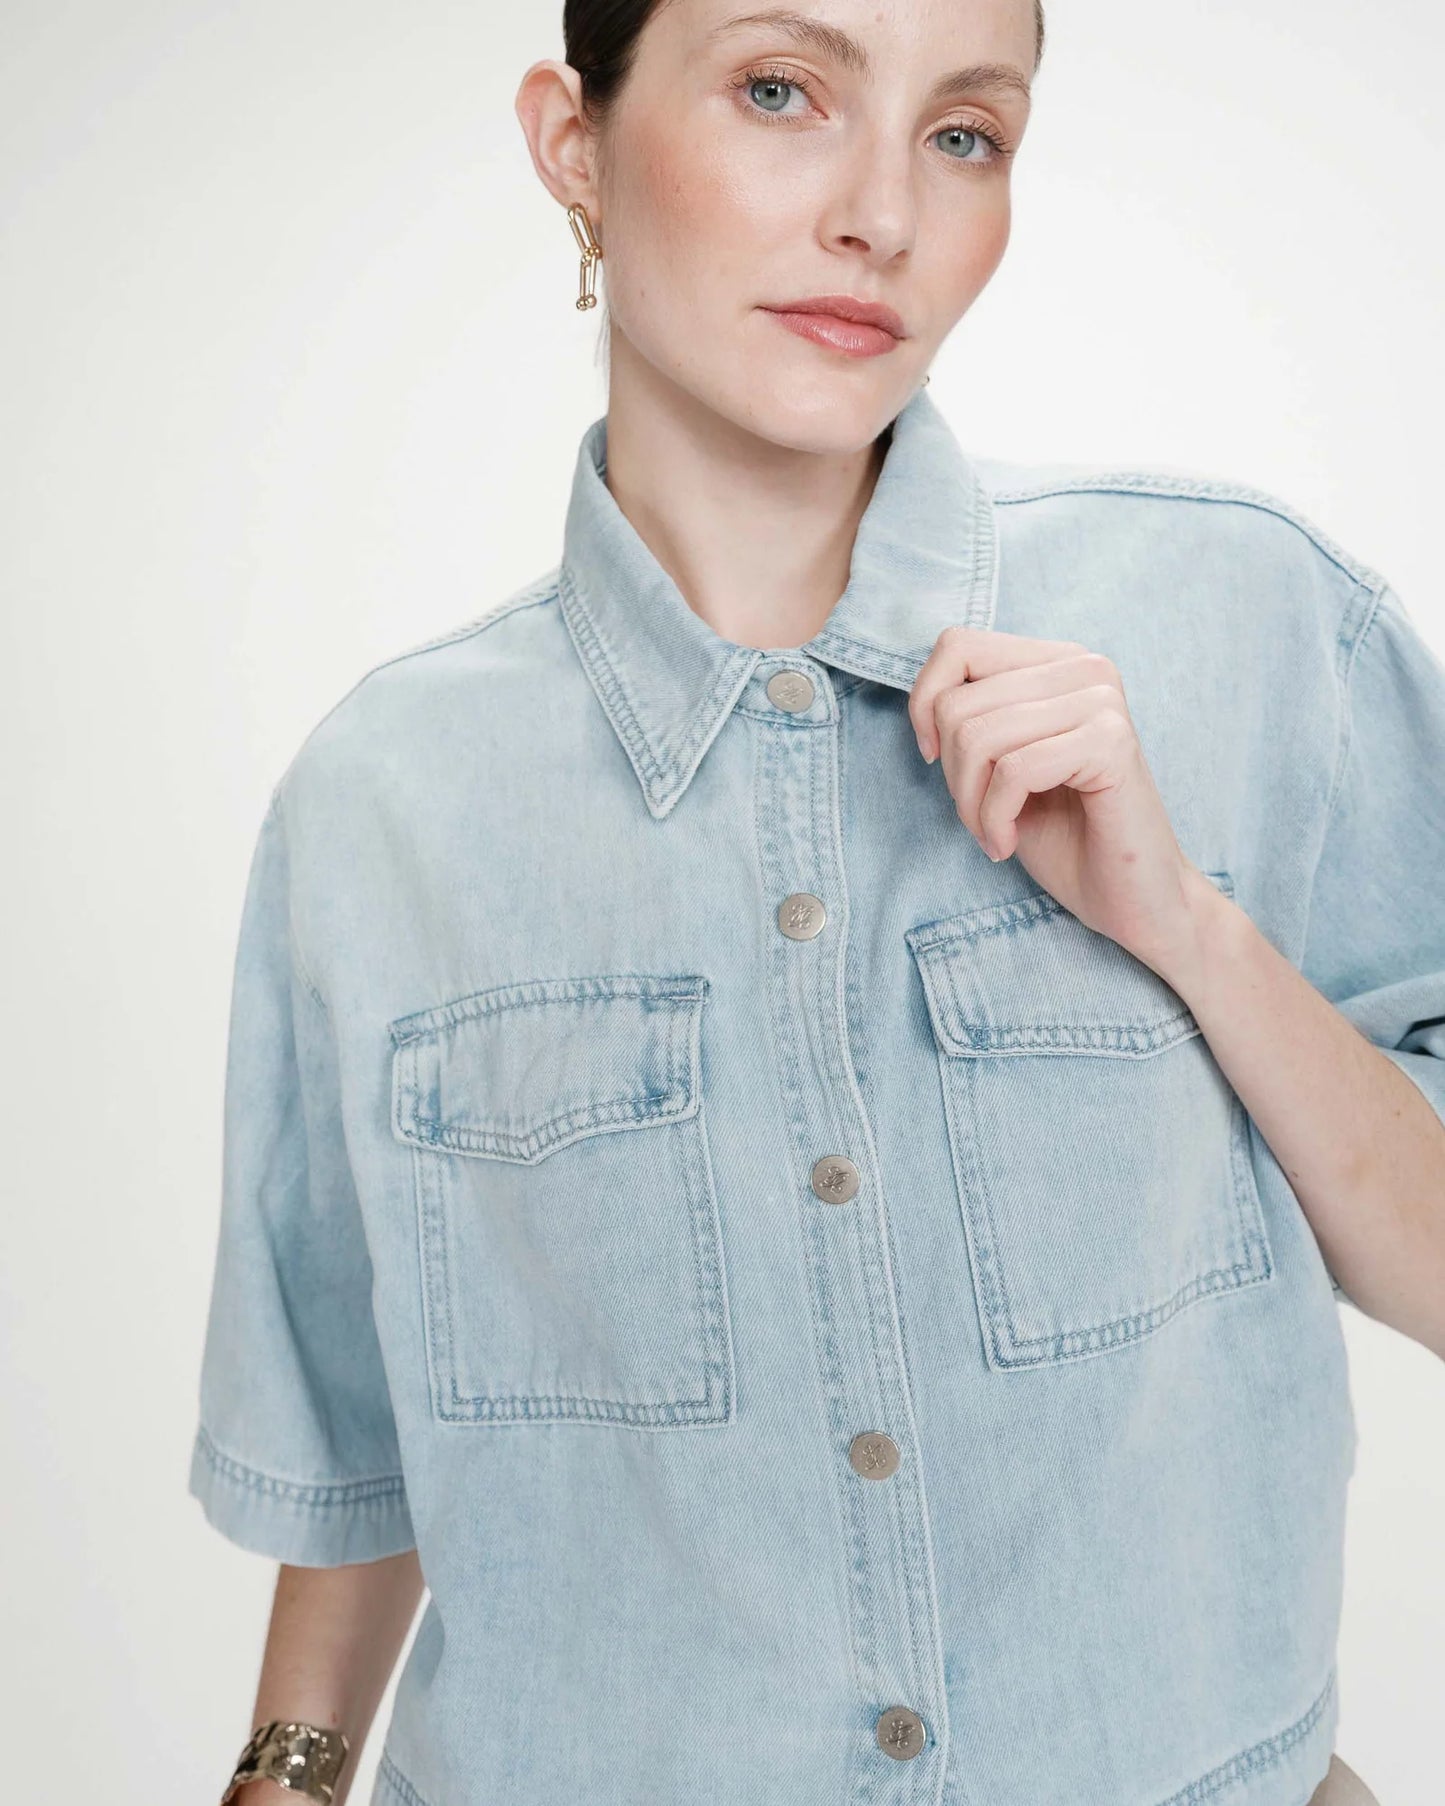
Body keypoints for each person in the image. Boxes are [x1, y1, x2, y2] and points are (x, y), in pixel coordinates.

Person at [190, 3, 1445, 1803]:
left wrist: (1186, 922)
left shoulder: (1248, 621)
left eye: (963, 134)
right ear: (572, 146)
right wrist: (292, 1766)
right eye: (781, 91)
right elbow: (370, 1414)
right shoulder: (384, 799)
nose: (883, 215)